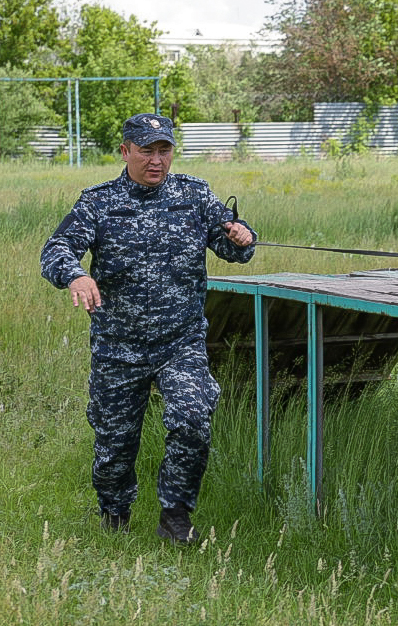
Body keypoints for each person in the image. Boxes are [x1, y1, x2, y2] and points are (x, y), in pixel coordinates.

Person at [40, 113, 257, 544]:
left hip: (181, 341)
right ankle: (114, 515)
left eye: (164, 150)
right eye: (146, 151)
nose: (156, 160)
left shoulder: (194, 195)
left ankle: (175, 515)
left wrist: (242, 236)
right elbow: (56, 248)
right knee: (115, 446)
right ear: (125, 152)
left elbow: (233, 247)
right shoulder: (100, 202)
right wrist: (76, 275)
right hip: (118, 346)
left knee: (193, 417)